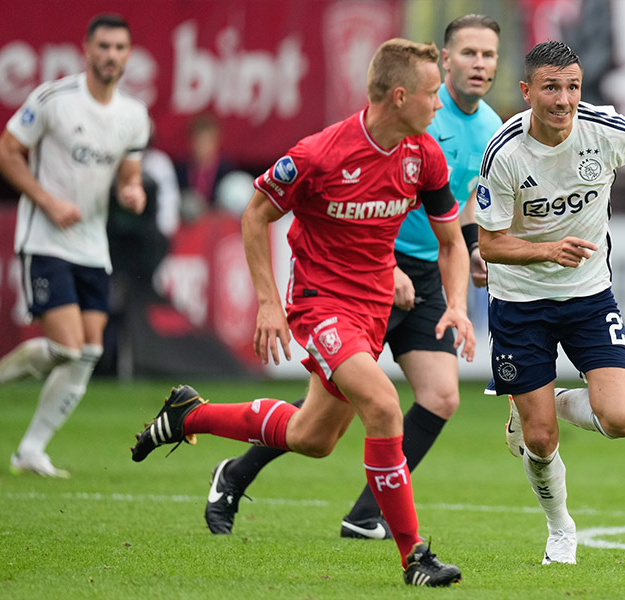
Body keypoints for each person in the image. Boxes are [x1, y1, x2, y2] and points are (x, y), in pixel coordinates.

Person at [130, 38, 474, 587]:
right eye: (432, 93)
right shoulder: (320, 154)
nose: (439, 103)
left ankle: (188, 415)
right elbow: (254, 215)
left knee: (313, 437)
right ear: (399, 95)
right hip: (320, 306)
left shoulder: (424, 155)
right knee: (385, 406)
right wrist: (268, 302)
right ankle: (415, 558)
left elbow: (452, 243)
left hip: (373, 309)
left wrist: (456, 304)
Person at [200, 13, 503, 543]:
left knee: (440, 396)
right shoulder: (409, 117)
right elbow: (356, 200)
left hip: (425, 273)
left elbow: (461, 212)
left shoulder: (491, 129)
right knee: (326, 424)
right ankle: (235, 471)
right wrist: (388, 268)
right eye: (469, 53)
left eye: (490, 54)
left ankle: (367, 513)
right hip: (365, 273)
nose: (480, 64)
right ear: (446, 60)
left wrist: (473, 254)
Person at [475, 40, 625, 565]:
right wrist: (548, 249)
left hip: (588, 296)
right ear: (527, 91)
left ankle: (533, 402)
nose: (564, 99)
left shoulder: (606, 131)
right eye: (551, 87)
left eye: (572, 86)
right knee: (540, 440)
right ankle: (560, 530)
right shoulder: (504, 153)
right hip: (520, 303)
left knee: (621, 418)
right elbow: (490, 245)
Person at [0, 14, 149, 477]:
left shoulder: (133, 115)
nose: (111, 55)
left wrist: (133, 192)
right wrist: (47, 201)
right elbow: (6, 151)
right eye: (103, 46)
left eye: (119, 48)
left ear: (128, 54)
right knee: (66, 348)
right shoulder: (54, 99)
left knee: (88, 354)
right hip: (45, 239)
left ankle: (31, 450)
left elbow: (129, 174)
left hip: (91, 247)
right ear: (86, 49)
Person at [174, 112, 234, 219]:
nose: (203, 147)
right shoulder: (181, 171)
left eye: (207, 142)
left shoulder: (227, 171)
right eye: (199, 141)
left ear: (216, 142)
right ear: (191, 142)